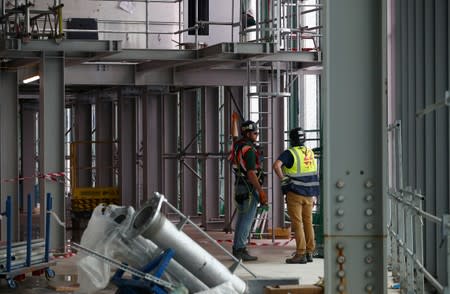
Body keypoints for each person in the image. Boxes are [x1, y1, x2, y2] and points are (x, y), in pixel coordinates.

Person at [272, 127, 319, 264]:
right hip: (310, 194)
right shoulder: (309, 152)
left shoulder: (289, 153)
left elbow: (276, 166)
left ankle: (300, 253)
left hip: (295, 193)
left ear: (291, 139)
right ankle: (310, 251)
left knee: (297, 224)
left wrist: (283, 179)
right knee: (308, 222)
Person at [229, 120, 267, 261]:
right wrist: (261, 191)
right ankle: (240, 248)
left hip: (240, 186)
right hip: (249, 188)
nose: (257, 135)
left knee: (242, 219)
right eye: (255, 133)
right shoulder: (249, 150)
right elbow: (251, 173)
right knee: (247, 220)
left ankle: (238, 247)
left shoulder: (237, 147)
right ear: (248, 133)